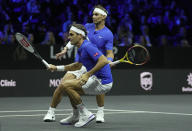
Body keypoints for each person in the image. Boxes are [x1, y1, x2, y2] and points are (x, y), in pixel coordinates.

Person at [44, 5, 114, 123]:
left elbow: (109, 53)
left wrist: (109, 61)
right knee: (64, 85)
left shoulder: (108, 34)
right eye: (93, 14)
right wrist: (65, 49)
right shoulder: (87, 27)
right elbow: (75, 37)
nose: (93, 16)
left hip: (96, 63)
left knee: (76, 85)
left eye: (96, 14)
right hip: (81, 63)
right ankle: (62, 113)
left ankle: (99, 111)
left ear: (103, 17)